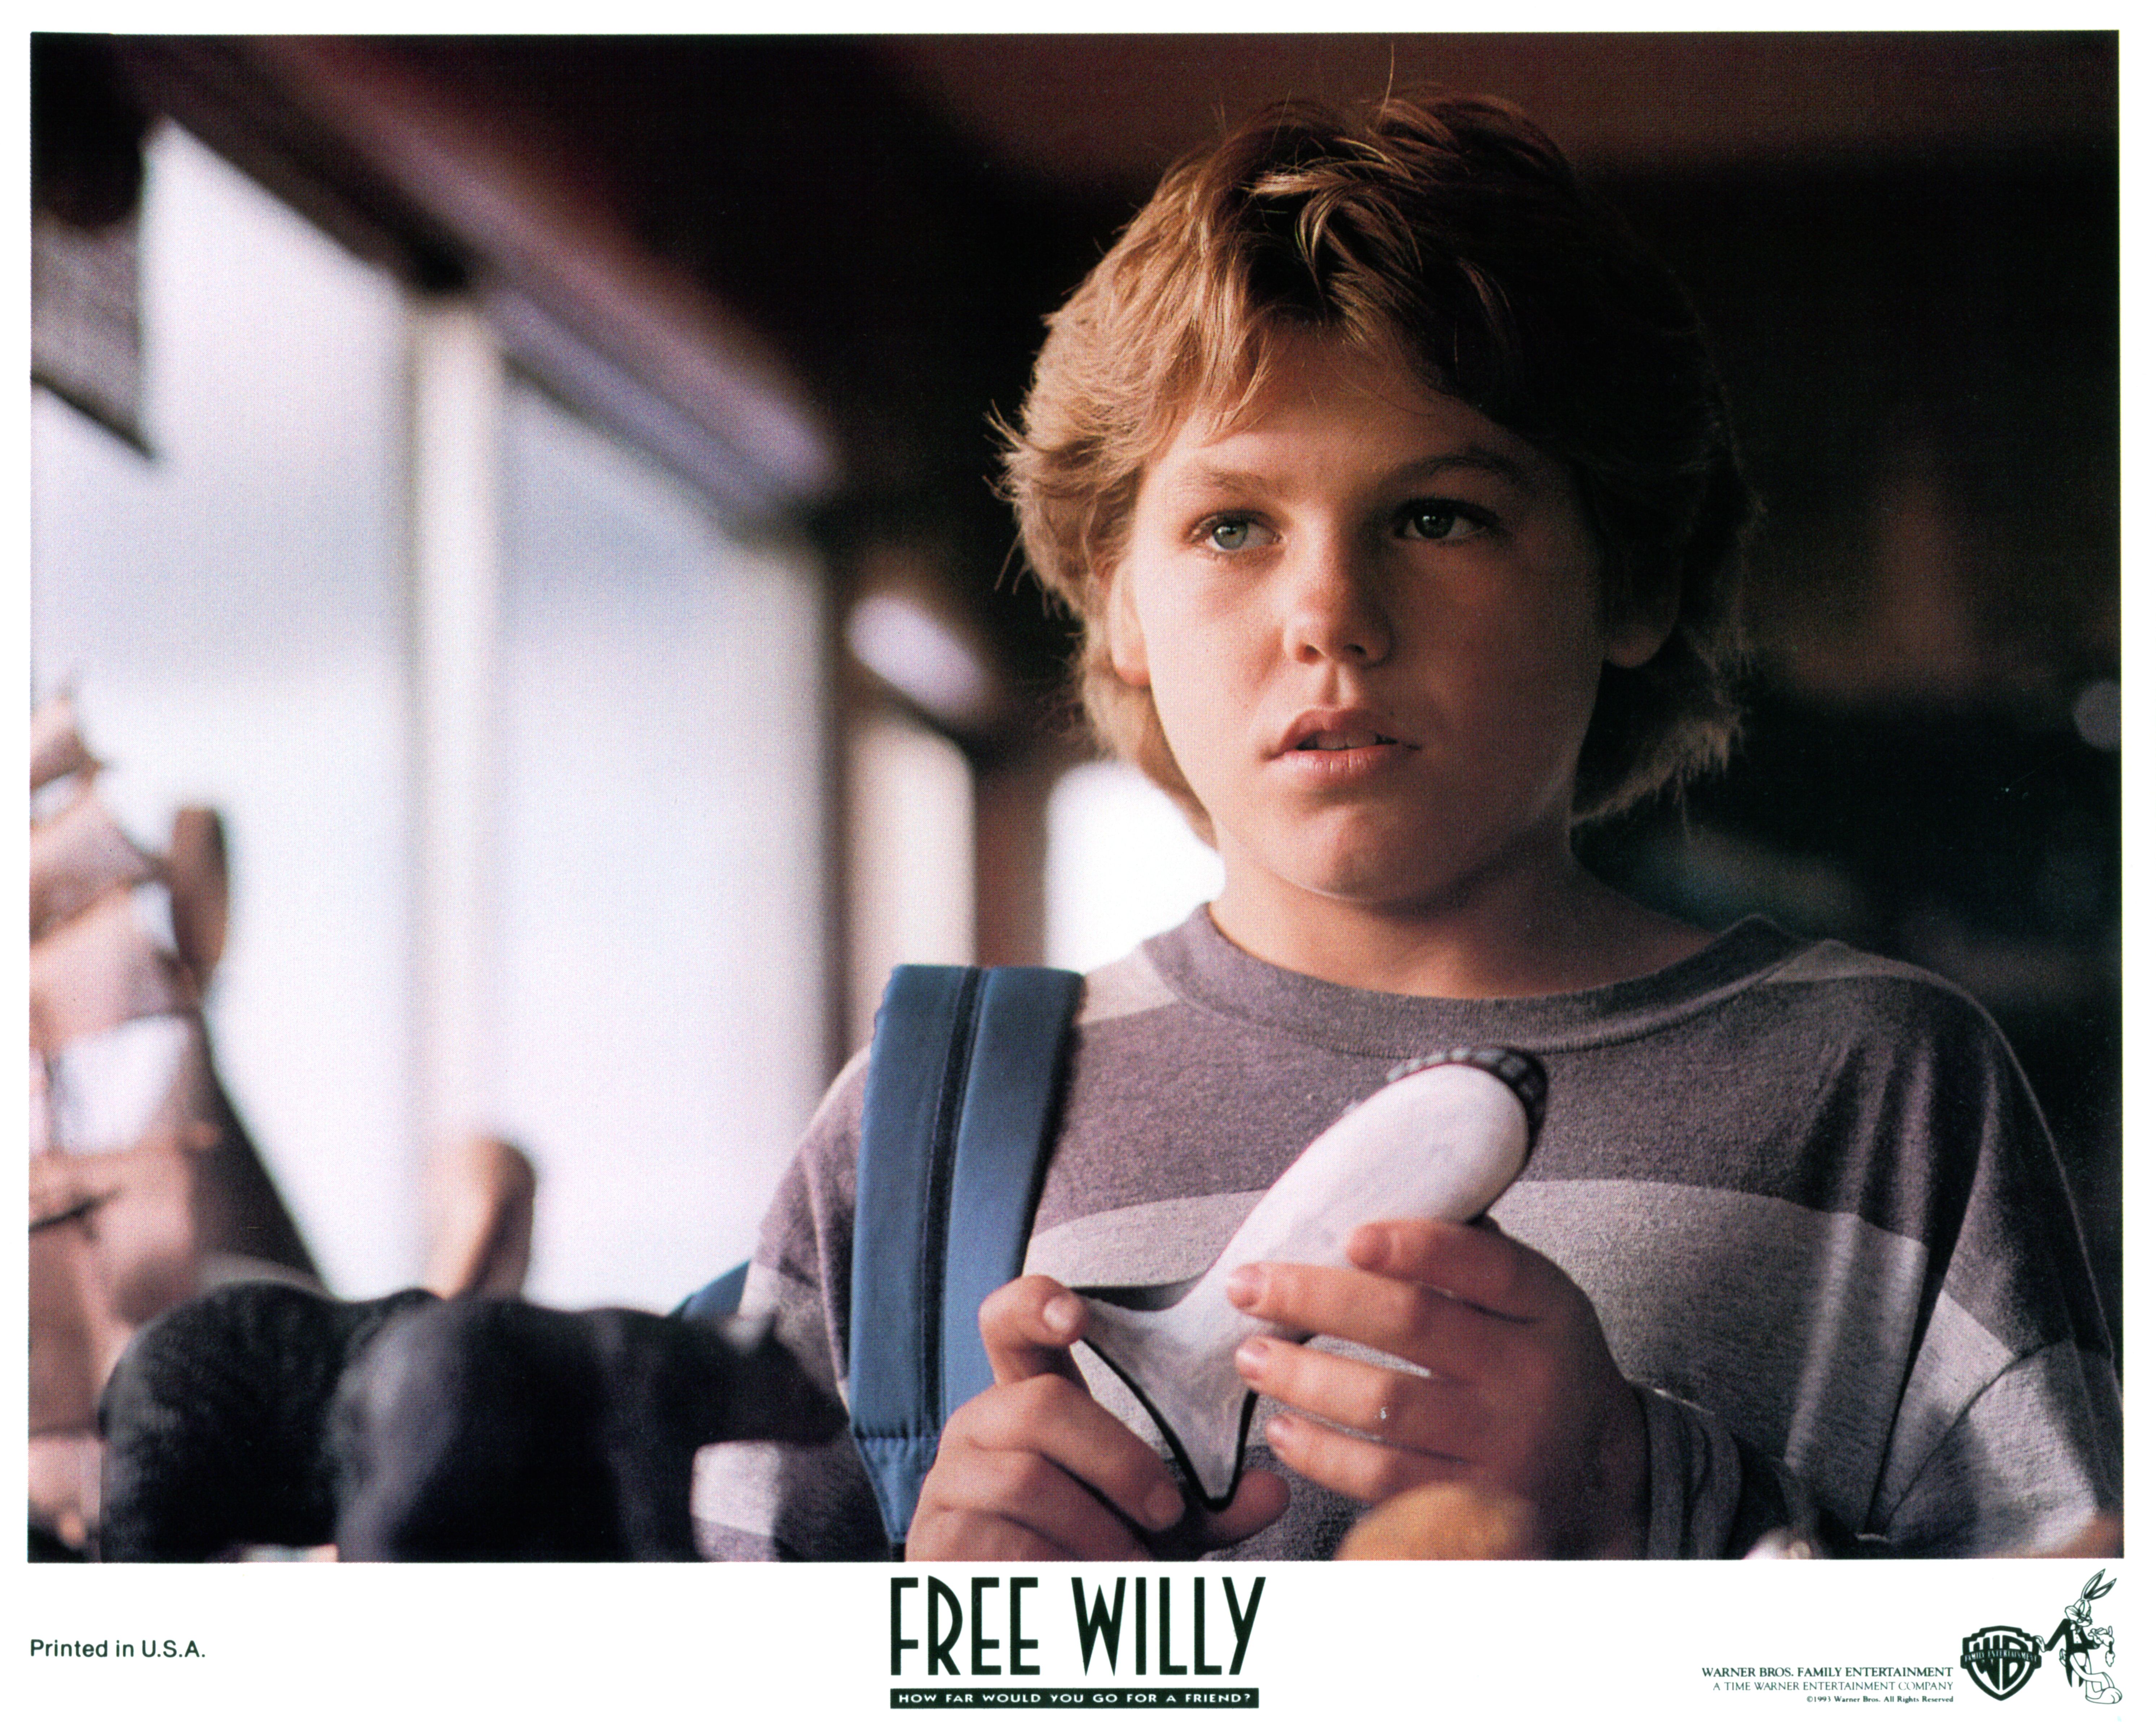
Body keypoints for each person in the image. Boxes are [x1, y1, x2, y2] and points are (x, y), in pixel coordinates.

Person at [692, 91, 2120, 1561]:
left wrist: (1651, 1504)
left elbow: (2064, 1665)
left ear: (1629, 580)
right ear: (1116, 598)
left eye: (1435, 516)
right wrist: (947, 1638)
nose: (1328, 616)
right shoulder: (924, 1121)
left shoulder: (1878, 1084)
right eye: (1230, 525)